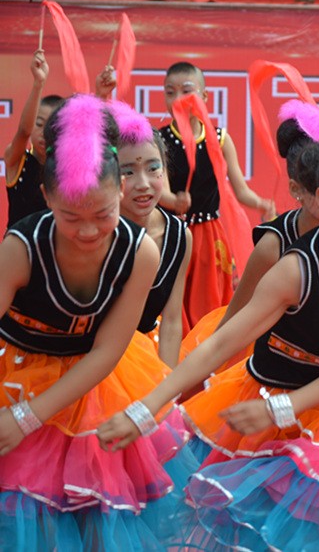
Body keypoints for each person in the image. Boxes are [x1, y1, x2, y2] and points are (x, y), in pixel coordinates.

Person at [97, 116, 319, 551]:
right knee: (258, 535)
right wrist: (147, 410)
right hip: (263, 402)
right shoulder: (295, 270)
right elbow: (223, 341)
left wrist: (282, 410)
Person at [0, 94, 192, 549]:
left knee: (97, 518)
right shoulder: (22, 247)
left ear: (119, 193)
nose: (87, 231)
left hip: (95, 381)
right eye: (71, 217)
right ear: (47, 197)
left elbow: (107, 350)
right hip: (15, 373)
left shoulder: (141, 252)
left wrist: (26, 419)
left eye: (103, 215)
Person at [179, 100, 319, 376]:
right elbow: (233, 319)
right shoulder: (273, 246)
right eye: (316, 189)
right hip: (267, 362)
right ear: (296, 190)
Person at [158, 61, 276, 330]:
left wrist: (262, 204)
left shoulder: (219, 139)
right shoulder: (160, 140)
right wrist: (174, 201)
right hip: (174, 232)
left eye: (186, 91)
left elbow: (241, 191)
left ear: (205, 96)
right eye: (170, 92)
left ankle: (206, 352)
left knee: (208, 304)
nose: (177, 99)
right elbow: (161, 191)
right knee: (173, 304)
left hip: (209, 236)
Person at [109, 99, 191, 369]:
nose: (143, 184)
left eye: (153, 168)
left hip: (143, 362)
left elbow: (171, 321)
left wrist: (166, 384)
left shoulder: (179, 236)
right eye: (128, 172)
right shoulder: (95, 232)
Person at [4, 49, 62, 227]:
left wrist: (101, 95)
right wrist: (38, 83)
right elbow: (24, 132)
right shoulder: (17, 160)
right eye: (39, 123)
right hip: (18, 244)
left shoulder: (68, 169)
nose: (44, 132)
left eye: (53, 127)